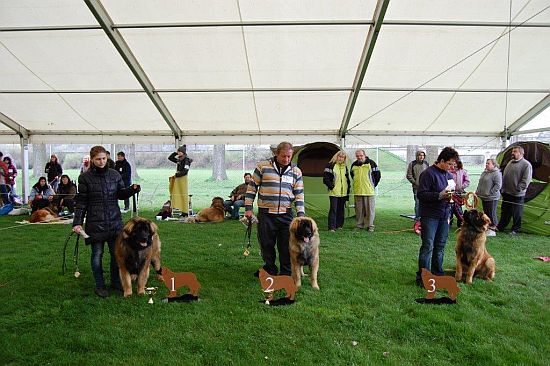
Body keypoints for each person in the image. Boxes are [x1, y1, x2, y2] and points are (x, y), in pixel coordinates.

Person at [72, 145, 140, 298]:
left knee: (117, 255)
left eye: (104, 158)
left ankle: (116, 282)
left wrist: (132, 189)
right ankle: (100, 285)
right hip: (95, 223)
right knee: (97, 255)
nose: (102, 161)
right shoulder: (84, 178)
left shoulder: (115, 175)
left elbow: (120, 194)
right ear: (92, 160)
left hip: (114, 222)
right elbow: (81, 202)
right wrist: (77, 222)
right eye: (98, 159)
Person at [245, 142, 304, 276]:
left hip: (286, 214)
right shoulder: (262, 167)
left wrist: (300, 214)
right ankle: (269, 268)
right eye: (283, 156)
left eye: (289, 156)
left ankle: (286, 272)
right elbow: (251, 188)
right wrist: (248, 208)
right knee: (266, 244)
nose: (286, 159)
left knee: (286, 245)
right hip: (266, 214)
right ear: (276, 154)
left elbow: (299, 194)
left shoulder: (296, 171)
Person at [415, 146, 459, 287]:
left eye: (453, 165)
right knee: (428, 246)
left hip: (444, 216)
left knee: (440, 246)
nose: (452, 167)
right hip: (430, 216)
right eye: (450, 164)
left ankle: (438, 273)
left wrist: (456, 198)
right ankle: (423, 277)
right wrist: (439, 195)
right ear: (441, 160)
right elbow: (421, 195)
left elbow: (450, 196)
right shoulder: (428, 173)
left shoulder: (449, 176)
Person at [497, 146, 532, 235]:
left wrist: (518, 189)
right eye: (512, 151)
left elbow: (526, 180)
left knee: (517, 213)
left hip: (517, 194)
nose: (512, 153)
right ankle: (501, 227)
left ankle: (515, 229)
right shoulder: (510, 162)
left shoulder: (526, 165)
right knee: (505, 211)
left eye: (515, 151)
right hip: (506, 193)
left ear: (521, 153)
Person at [350, 149, 381, 231]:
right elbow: (352, 175)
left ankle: (370, 226)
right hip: (358, 191)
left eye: (361, 155)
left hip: (369, 191)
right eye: (357, 156)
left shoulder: (372, 163)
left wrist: (372, 185)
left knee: (369, 210)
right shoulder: (354, 165)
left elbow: (377, 176)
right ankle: (359, 225)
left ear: (364, 155)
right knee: (359, 210)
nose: (359, 157)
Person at [323, 150, 350, 232]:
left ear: (344, 159)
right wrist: (331, 187)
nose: (341, 158)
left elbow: (347, 179)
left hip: (344, 192)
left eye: (343, 157)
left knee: (341, 209)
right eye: (339, 156)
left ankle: (339, 225)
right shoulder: (330, 165)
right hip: (334, 192)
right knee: (333, 209)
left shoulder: (345, 167)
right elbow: (325, 178)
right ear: (336, 156)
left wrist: (348, 189)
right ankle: (331, 227)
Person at [475, 158, 502, 232]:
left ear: (493, 165)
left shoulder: (497, 173)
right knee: (486, 212)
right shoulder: (484, 172)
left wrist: (490, 193)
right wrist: (477, 191)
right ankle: (488, 225)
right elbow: (480, 183)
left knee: (491, 212)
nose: (486, 164)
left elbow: (498, 185)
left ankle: (494, 226)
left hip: (492, 197)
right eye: (486, 163)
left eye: (488, 163)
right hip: (484, 197)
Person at [406, 150, 429, 227]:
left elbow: (429, 174)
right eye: (419, 155)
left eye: (422, 155)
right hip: (417, 188)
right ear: (417, 156)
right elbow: (409, 175)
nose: (421, 156)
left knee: (426, 202)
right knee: (418, 203)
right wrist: (415, 183)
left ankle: (424, 217)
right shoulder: (412, 164)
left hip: (426, 187)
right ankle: (417, 218)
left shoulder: (426, 164)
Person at [168, 145, 193, 213]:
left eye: (180, 151)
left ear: (183, 152)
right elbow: (170, 158)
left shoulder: (186, 160)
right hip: (178, 178)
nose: (178, 153)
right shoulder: (179, 159)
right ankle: (181, 209)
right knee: (177, 193)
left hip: (182, 178)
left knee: (183, 194)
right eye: (178, 151)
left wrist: (177, 174)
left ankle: (185, 211)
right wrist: (175, 153)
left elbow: (185, 171)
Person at [449, 159, 470, 227]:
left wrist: (461, 187)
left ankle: (460, 223)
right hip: (450, 192)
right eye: (453, 163)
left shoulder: (463, 171)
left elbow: (467, 181)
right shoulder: (448, 171)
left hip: (459, 193)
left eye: (456, 163)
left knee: (458, 208)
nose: (454, 164)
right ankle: (449, 222)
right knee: (450, 208)